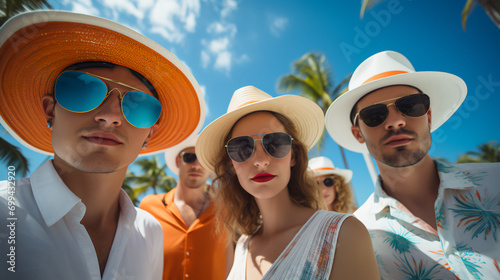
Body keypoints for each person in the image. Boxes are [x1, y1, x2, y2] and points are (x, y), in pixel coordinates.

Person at [0, 10, 205, 280]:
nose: (110, 115)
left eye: (138, 105)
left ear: (150, 134)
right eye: (83, 89)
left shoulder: (151, 233)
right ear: (50, 110)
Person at [324, 50, 500, 279]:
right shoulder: (356, 236)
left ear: (428, 116)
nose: (395, 121)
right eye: (374, 115)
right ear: (358, 134)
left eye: (410, 105)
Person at [196, 86, 379, 279]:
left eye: (275, 143)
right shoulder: (242, 245)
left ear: (293, 156)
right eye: (241, 148)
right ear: (232, 165)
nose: (260, 160)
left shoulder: (344, 233)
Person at [139, 135, 229, 280]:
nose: (196, 165)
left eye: (203, 160)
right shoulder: (149, 206)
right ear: (178, 161)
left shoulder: (224, 211)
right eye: (189, 157)